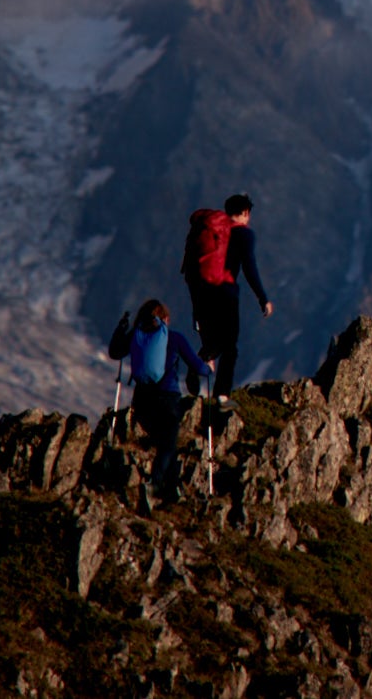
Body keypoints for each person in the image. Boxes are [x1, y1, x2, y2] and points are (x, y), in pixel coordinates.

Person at [113, 299, 211, 508]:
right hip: (166, 400)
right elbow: (199, 367)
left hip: (141, 403)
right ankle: (153, 484)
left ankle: (171, 490)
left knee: (167, 444)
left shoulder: (135, 337)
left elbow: (115, 352)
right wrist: (209, 368)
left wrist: (121, 330)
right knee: (167, 444)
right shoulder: (174, 338)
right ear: (165, 318)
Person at [182, 192, 273, 399]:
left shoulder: (212, 231)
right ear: (245, 213)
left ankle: (198, 364)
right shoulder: (243, 234)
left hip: (201, 290)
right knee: (230, 346)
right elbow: (250, 267)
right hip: (225, 291)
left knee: (214, 341)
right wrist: (263, 297)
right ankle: (221, 395)